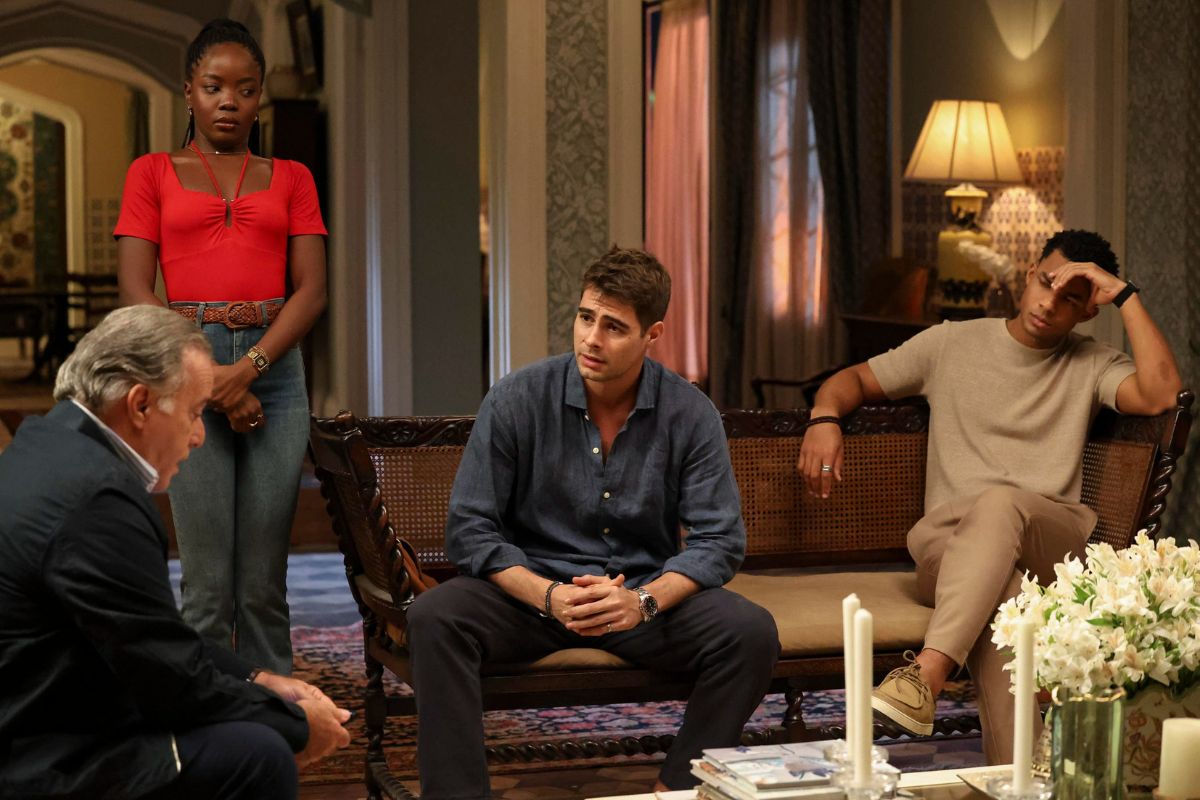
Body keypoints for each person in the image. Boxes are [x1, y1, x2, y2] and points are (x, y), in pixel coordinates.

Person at [406, 247, 779, 798]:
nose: (591, 339)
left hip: (639, 598)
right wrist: (548, 594)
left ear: (652, 334)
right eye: (586, 318)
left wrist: (643, 601)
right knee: (435, 617)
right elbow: (470, 529)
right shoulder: (516, 398)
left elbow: (720, 541)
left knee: (750, 633)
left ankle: (678, 789)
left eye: (614, 327)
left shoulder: (690, 412)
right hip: (530, 596)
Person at [798, 230, 1182, 763]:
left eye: (1071, 298)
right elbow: (854, 380)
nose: (1049, 303)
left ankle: (927, 672)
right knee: (1008, 597)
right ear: (1029, 276)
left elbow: (1163, 394)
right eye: (1046, 283)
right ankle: (1017, 775)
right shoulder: (949, 344)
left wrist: (1125, 295)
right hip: (951, 551)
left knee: (1002, 502)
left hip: (1050, 541)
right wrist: (824, 418)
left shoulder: (1093, 362)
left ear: (1088, 311)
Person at [0, 306, 351, 800]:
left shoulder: (49, 441)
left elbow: (150, 633)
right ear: (141, 404)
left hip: (42, 707)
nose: (199, 435)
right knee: (260, 753)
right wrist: (294, 724)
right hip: (38, 754)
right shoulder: (99, 499)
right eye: (193, 411)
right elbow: (169, 682)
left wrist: (257, 678)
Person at [115, 18, 327, 674]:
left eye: (245, 88)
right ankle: (205, 718)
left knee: (263, 583)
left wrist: (250, 369)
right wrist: (212, 379)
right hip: (183, 365)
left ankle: (274, 714)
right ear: (189, 91)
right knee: (206, 584)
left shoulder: (292, 178)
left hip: (276, 372)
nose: (228, 101)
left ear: (260, 96)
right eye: (214, 87)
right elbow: (134, 290)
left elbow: (311, 292)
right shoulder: (151, 173)